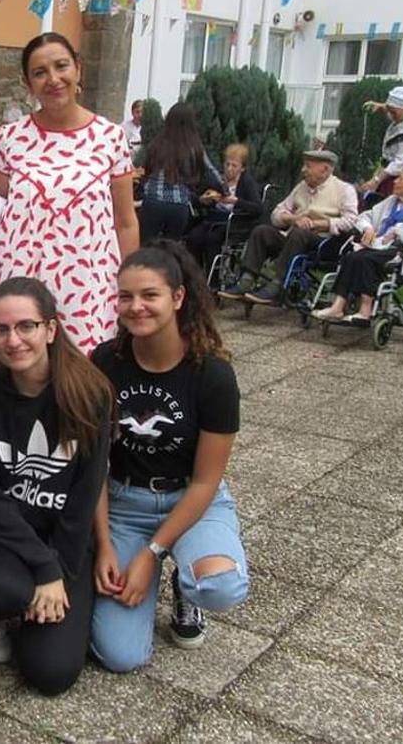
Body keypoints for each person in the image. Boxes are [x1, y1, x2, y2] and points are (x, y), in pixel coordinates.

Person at [90, 241, 248, 671]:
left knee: (220, 585)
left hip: (191, 501)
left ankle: (186, 583)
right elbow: (94, 464)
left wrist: (151, 554)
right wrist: (103, 544)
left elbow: (205, 482)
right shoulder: (106, 360)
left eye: (150, 295)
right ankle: (158, 563)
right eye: (126, 296)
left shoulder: (212, 374)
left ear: (178, 298)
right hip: (125, 503)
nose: (136, 306)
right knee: (119, 656)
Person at [0, 277, 114, 696]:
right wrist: (42, 569)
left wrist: (57, 570)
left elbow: (83, 496)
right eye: (0, 329)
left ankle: (38, 610)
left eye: (26, 326)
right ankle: (3, 607)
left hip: (62, 538)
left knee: (51, 674)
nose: (13, 339)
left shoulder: (90, 394)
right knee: (5, 592)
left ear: (51, 329)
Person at [0, 32, 139, 355]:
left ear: (78, 69)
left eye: (61, 66)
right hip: (22, 285)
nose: (53, 79)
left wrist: (131, 290)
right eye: (40, 72)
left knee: (86, 382)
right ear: (28, 83)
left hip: (88, 285)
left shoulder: (110, 138)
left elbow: (126, 222)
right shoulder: (9, 139)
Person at [219, 150, 358, 305]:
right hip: (292, 237)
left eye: (308, 166)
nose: (303, 170)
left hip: (323, 241)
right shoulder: (301, 187)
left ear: (325, 169)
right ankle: (246, 280)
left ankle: (276, 284)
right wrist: (293, 219)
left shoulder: (344, 190)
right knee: (261, 231)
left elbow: (351, 220)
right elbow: (276, 214)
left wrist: (320, 223)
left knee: (300, 233)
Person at [311, 164, 403, 325]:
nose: (395, 182)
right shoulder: (391, 201)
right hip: (381, 246)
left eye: (400, 178)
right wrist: (369, 228)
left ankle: (365, 311)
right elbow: (365, 216)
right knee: (351, 257)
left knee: (366, 259)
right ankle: (337, 307)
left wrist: (398, 232)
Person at [137, 102, 224, 243]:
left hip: (153, 202)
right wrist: (224, 191)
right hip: (178, 205)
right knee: (171, 249)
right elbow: (212, 174)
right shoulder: (194, 147)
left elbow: (146, 171)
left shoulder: (157, 144)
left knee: (146, 247)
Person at [184, 143, 264, 271]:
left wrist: (236, 201)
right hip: (213, 218)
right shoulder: (218, 179)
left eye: (234, 166)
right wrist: (203, 200)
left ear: (242, 168)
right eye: (227, 164)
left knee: (212, 239)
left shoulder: (246, 182)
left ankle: (213, 280)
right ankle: (196, 274)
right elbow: (197, 197)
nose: (229, 169)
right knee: (194, 237)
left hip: (233, 223)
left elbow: (258, 209)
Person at [360, 86, 403, 198]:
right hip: (389, 172)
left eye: (393, 112)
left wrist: (376, 180)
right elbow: (393, 108)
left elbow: (400, 163)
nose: (390, 115)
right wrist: (381, 106)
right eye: (389, 111)